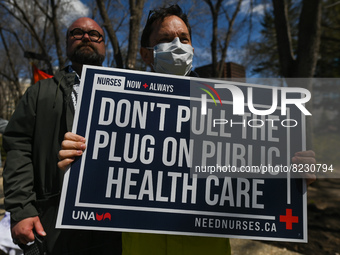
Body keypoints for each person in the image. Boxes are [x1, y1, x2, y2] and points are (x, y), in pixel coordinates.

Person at [58, 5, 316, 255]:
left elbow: (251, 177)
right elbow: (101, 174)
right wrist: (78, 155)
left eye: (184, 38)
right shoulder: (115, 111)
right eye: (166, 39)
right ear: (146, 54)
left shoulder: (227, 108)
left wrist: (289, 178)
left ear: (192, 48)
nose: (177, 46)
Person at [3, 17, 121, 254]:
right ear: (67, 43)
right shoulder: (40, 92)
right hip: (54, 223)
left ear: (104, 45)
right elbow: (18, 149)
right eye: (77, 33)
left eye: (94, 34)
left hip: (115, 223)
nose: (86, 37)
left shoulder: (127, 91)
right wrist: (22, 209)